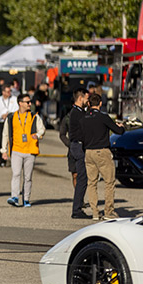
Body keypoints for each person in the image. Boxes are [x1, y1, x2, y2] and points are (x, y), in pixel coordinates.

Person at [81, 93, 125, 221]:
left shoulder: (83, 118)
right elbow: (118, 131)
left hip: (88, 152)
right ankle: (109, 211)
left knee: (92, 183)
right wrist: (121, 127)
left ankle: (95, 212)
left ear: (88, 104)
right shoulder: (103, 117)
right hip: (102, 152)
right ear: (100, 103)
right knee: (109, 182)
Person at [1, 93, 46, 207]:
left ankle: (26, 198)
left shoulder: (34, 116)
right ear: (20, 103)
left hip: (30, 151)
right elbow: (5, 134)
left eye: (30, 102)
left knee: (28, 177)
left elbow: (42, 129)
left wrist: (38, 134)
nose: (30, 104)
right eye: (27, 102)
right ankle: (15, 196)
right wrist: (4, 150)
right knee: (16, 174)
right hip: (16, 150)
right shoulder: (11, 117)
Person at [58, 88, 90, 219]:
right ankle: (77, 208)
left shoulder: (79, 112)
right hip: (76, 148)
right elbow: (63, 134)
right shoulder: (74, 114)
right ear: (81, 98)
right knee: (79, 177)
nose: (88, 101)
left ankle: (78, 205)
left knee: (82, 178)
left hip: (77, 147)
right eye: (87, 99)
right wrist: (71, 145)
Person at [0, 84, 18, 168]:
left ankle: (15, 159)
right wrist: (1, 115)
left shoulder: (14, 99)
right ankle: (2, 160)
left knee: (13, 140)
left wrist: (10, 114)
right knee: (1, 140)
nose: (9, 93)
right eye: (7, 91)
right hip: (2, 122)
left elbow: (17, 109)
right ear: (3, 92)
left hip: (12, 122)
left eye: (9, 91)